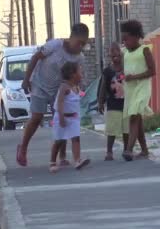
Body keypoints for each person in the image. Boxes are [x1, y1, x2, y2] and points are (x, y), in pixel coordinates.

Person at [17, 23, 89, 166]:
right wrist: (26, 80)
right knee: (37, 117)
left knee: (61, 120)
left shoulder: (79, 58)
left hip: (60, 90)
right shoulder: (55, 45)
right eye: (79, 43)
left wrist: (78, 92)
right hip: (40, 84)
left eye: (84, 44)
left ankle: (62, 156)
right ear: (71, 38)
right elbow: (35, 58)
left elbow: (79, 78)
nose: (80, 47)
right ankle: (23, 147)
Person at [121, 20, 156, 161]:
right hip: (130, 89)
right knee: (137, 118)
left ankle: (128, 150)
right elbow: (122, 69)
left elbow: (152, 71)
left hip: (142, 87)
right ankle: (144, 150)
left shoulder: (145, 50)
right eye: (123, 40)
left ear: (136, 36)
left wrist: (134, 76)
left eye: (127, 39)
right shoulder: (126, 53)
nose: (125, 42)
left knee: (134, 116)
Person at [49, 62, 90, 173]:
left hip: (73, 118)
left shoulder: (76, 87)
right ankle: (52, 161)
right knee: (59, 140)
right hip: (62, 117)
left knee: (76, 138)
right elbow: (60, 102)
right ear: (73, 74)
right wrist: (61, 117)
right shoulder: (64, 87)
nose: (81, 74)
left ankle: (77, 160)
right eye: (80, 72)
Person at [98, 43, 129, 161]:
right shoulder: (107, 71)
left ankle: (126, 149)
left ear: (121, 54)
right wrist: (100, 102)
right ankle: (109, 151)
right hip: (112, 104)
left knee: (127, 128)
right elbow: (102, 88)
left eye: (117, 51)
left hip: (127, 103)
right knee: (112, 129)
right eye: (112, 52)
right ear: (109, 55)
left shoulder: (127, 68)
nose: (115, 54)